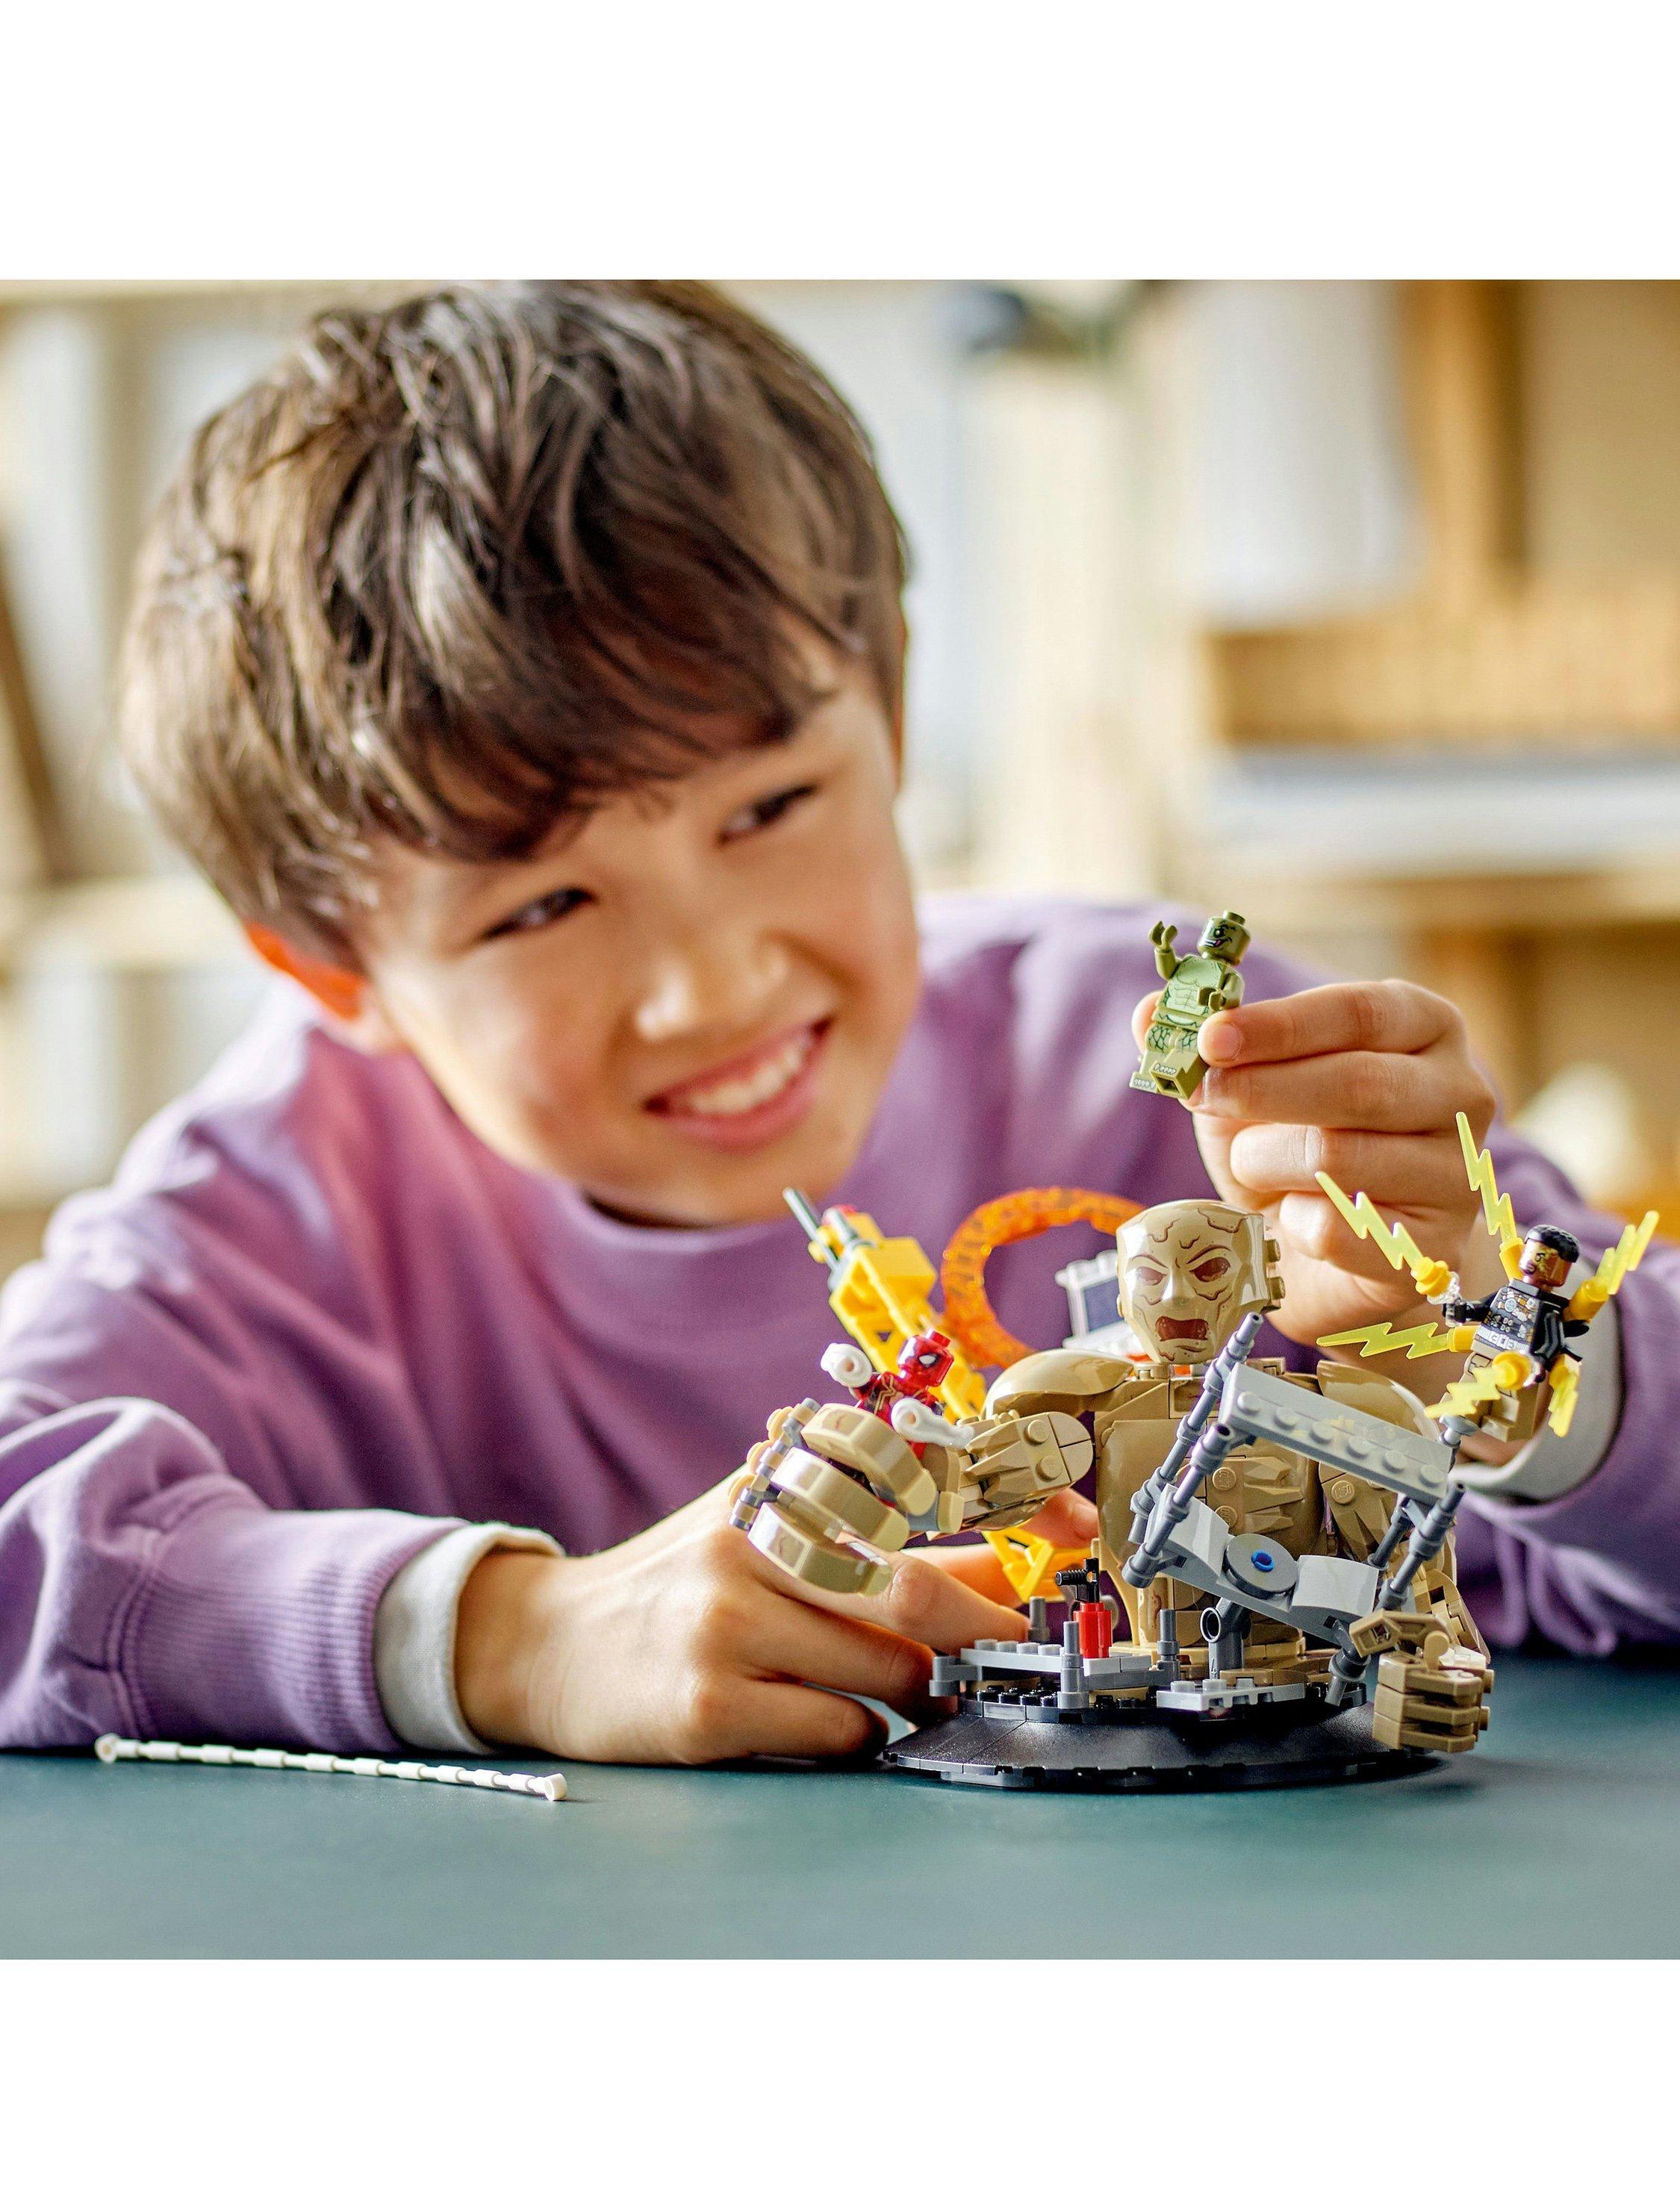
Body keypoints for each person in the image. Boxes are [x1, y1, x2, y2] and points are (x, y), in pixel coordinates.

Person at [0, 282, 1673, 1769]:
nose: (715, 987)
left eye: (771, 806)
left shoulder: (1168, 1074)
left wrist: (1497, 1354)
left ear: (891, 705)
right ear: (331, 970)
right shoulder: (277, 1215)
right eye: (543, 905)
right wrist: (503, 1639)